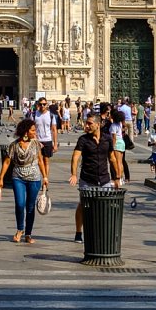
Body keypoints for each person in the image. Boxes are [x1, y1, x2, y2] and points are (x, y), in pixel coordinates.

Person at [69, 113, 121, 243]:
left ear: (98, 124)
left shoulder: (107, 139)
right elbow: (75, 157)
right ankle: (78, 232)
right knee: (83, 205)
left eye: (90, 123)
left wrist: (117, 177)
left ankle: (103, 232)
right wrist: (74, 174)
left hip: (104, 178)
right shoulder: (83, 140)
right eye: (86, 123)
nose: (87, 125)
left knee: (106, 207)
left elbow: (112, 159)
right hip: (87, 178)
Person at [0, 119, 48, 243]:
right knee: (19, 204)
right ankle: (20, 229)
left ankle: (28, 233)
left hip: (34, 177)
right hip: (18, 176)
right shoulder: (14, 145)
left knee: (30, 206)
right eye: (33, 130)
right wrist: (1, 178)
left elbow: (40, 161)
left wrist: (45, 176)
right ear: (25, 131)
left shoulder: (36, 143)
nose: (35, 133)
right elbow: (7, 162)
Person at [33, 97, 58, 179]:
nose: (42, 106)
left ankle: (45, 179)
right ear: (38, 105)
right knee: (39, 161)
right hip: (37, 141)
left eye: (44, 104)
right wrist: (36, 140)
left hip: (47, 140)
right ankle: (44, 176)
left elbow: (54, 130)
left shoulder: (51, 115)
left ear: (47, 105)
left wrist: (55, 144)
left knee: (46, 161)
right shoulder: (34, 114)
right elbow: (31, 129)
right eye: (40, 104)